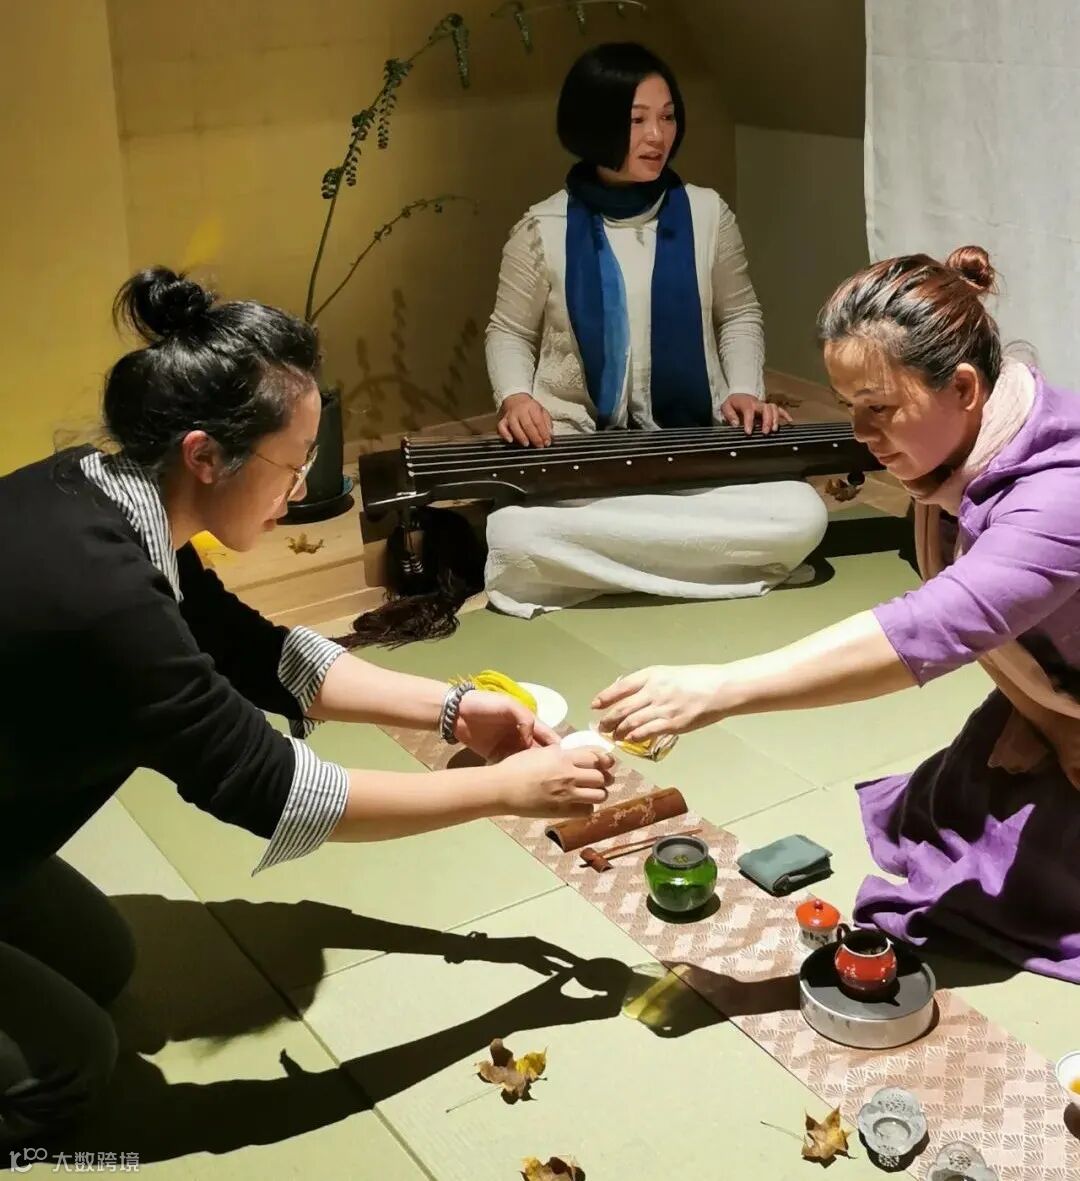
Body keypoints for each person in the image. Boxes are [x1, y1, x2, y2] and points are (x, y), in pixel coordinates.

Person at [0, 268, 614, 1147]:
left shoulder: (103, 490)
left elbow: (256, 651)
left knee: (105, 961)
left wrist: (454, 708)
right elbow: (283, 792)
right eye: (292, 467)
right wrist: (506, 791)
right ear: (205, 455)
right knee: (73, 1064)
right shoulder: (105, 596)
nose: (298, 491)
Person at [594, 245, 1080, 983]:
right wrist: (1047, 720)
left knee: (1020, 892)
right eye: (850, 406)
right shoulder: (965, 454)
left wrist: (719, 689)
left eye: (879, 408)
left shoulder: (1057, 493)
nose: (859, 432)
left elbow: (940, 624)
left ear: (964, 388)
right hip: (1057, 689)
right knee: (954, 817)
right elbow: (987, 631)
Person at [482, 41, 828, 617]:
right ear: (594, 123)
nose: (656, 136)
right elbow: (508, 331)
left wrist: (745, 390)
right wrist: (516, 397)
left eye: (667, 117)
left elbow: (739, 313)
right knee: (513, 533)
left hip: (696, 442)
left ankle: (610, 565)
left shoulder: (707, 213)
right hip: (579, 448)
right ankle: (706, 563)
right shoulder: (542, 226)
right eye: (636, 120)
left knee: (804, 515)